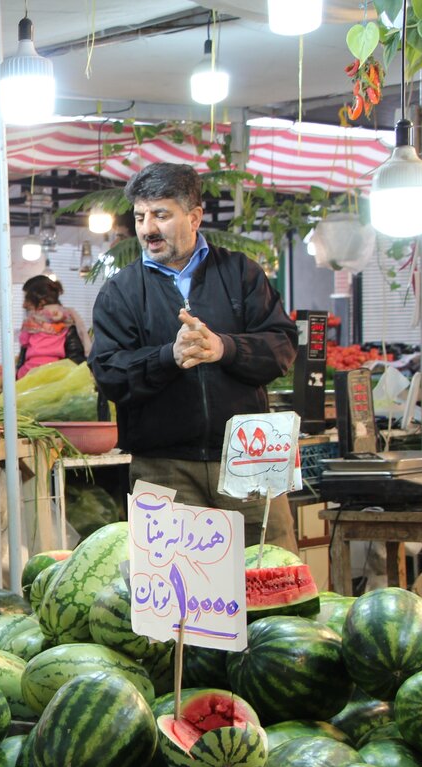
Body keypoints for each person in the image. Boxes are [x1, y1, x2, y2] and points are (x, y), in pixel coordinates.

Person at [89, 162, 299, 552]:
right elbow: (110, 374)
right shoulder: (121, 292)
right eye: (140, 216)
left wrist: (224, 348)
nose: (148, 228)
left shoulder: (240, 274)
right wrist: (168, 356)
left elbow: (282, 346)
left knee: (269, 572)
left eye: (161, 215)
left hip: (247, 460)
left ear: (195, 216)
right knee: (177, 599)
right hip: (163, 467)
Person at [17, 275, 92, 379]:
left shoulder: (31, 324)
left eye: (27, 299)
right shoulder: (67, 318)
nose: (24, 305)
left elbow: (76, 361)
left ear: (41, 301)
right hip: (56, 374)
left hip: (39, 377)